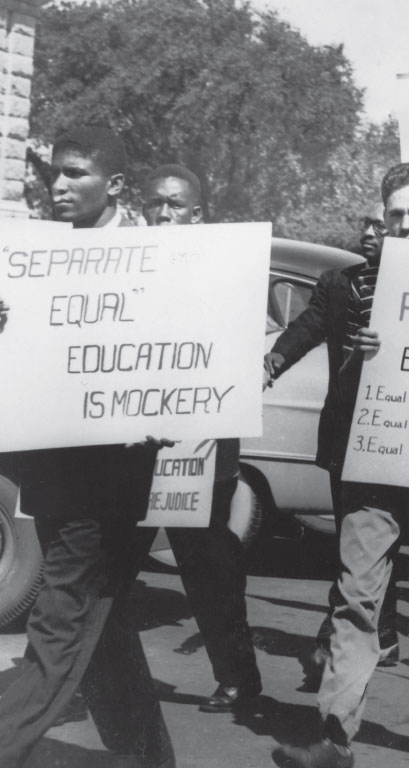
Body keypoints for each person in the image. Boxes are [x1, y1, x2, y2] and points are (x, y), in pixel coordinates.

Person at [273, 162, 409, 767]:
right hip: (368, 465)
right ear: (382, 219)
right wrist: (263, 369)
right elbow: (303, 332)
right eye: (395, 215)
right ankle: (335, 736)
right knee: (356, 595)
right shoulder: (348, 286)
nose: (405, 225)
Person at [0, 126, 175, 768]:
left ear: (116, 185)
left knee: (61, 617)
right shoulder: (37, 254)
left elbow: (190, 358)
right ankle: (153, 760)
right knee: (103, 620)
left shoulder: (157, 255)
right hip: (53, 467)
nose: (59, 184)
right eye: (54, 172)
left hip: (113, 476)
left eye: (74, 173)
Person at [138, 164, 263, 712]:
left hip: (200, 448)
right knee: (108, 571)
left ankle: (238, 676)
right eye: (155, 205)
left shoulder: (226, 275)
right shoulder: (126, 269)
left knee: (208, 568)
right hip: (133, 445)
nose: (163, 214)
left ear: (198, 215)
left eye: (174, 205)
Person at [264, 201, 402, 680]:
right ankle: (369, 634)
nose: (368, 233)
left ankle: (363, 633)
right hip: (348, 432)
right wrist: (275, 360)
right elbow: (306, 326)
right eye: (364, 224)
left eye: (378, 226)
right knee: (353, 536)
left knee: (390, 537)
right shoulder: (339, 283)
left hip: (403, 433)